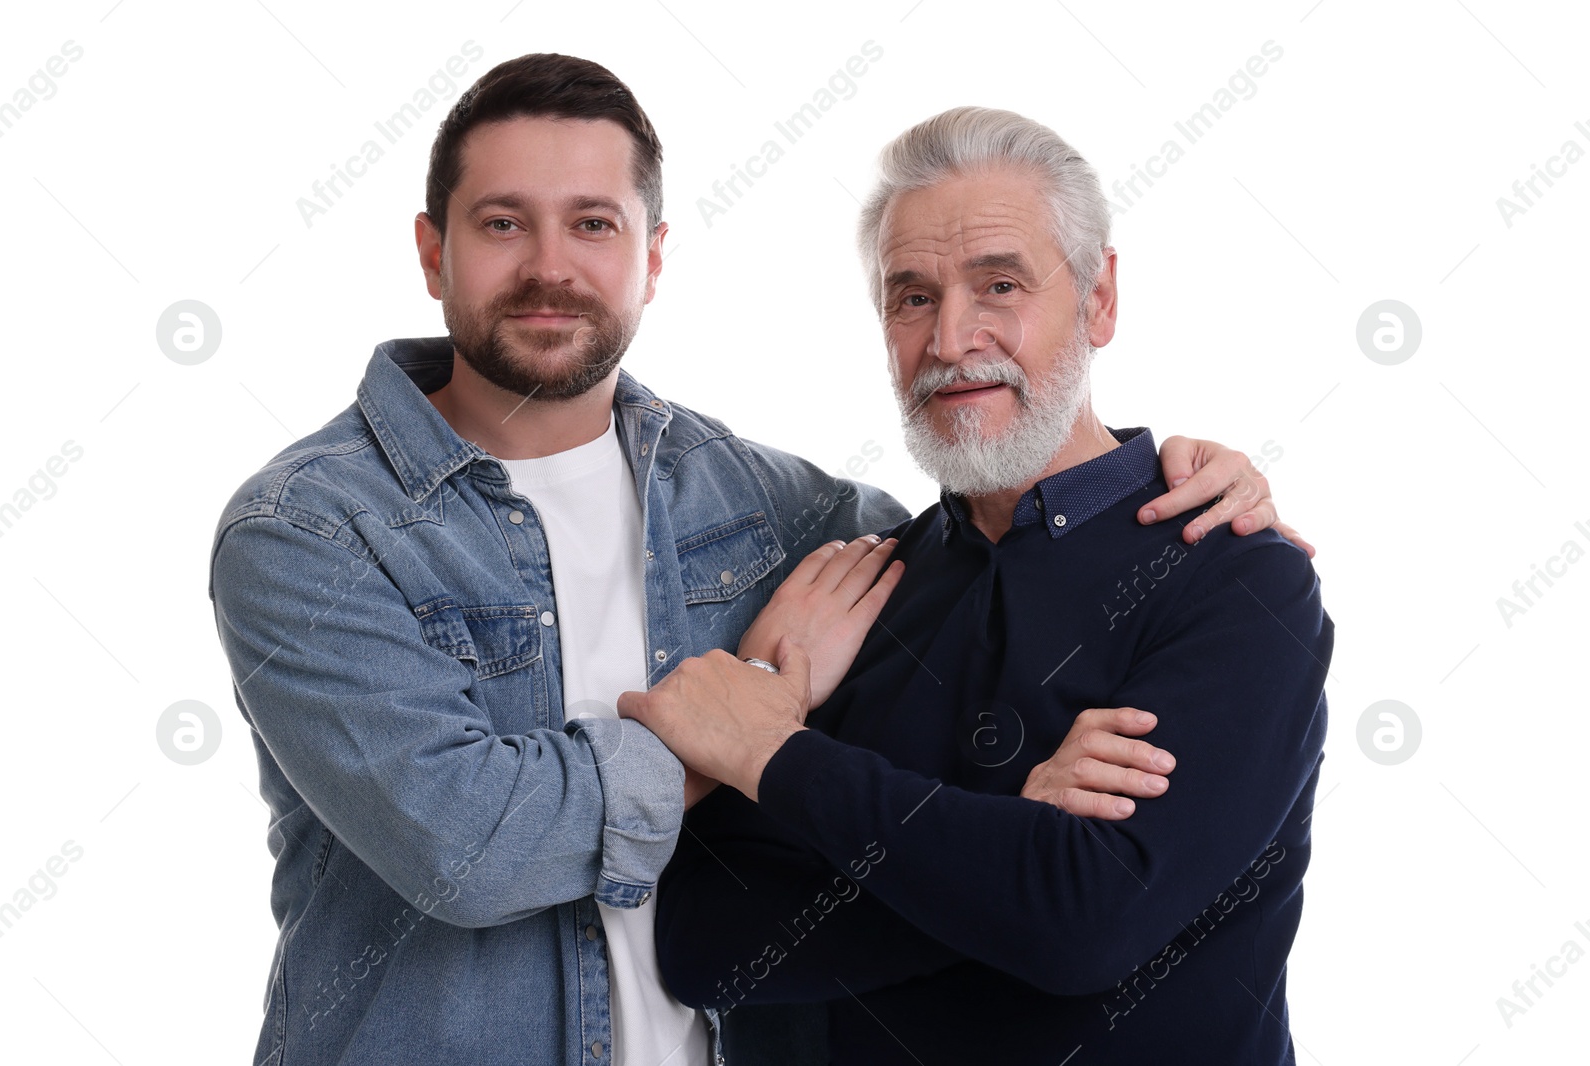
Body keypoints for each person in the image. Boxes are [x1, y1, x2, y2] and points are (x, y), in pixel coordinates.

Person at [208, 55, 1304, 1066]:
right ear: (431, 249)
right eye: (503, 222)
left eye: (593, 222)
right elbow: (522, 864)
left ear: (652, 256)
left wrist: (1187, 466)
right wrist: (767, 729)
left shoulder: (774, 513)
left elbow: (1076, 909)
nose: (550, 267)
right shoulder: (311, 531)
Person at [625, 106, 1332, 1064]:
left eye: (999, 284)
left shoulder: (1236, 577)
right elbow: (708, 947)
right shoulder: (851, 592)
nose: (953, 338)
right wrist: (1014, 847)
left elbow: (1087, 925)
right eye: (911, 297)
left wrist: (773, 754)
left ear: (1098, 298)